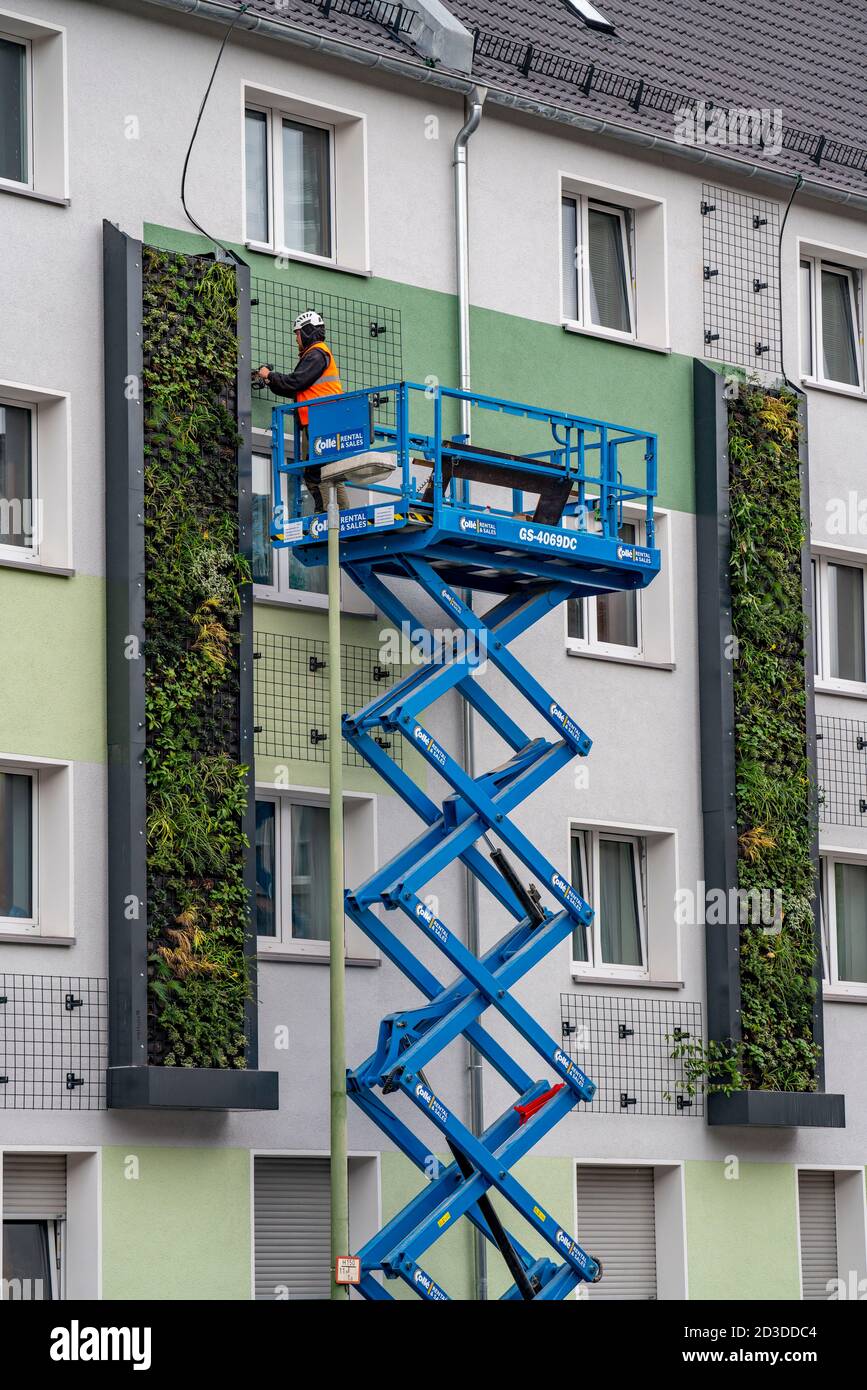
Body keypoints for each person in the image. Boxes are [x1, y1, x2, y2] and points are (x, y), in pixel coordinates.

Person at [257, 311, 348, 510]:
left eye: (297, 333)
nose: (296, 338)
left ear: (307, 331)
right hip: (320, 420)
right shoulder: (316, 354)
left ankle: (334, 515)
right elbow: (295, 387)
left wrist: (269, 374)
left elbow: (295, 381)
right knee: (320, 471)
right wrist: (270, 380)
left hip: (322, 420)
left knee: (320, 471)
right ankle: (329, 512)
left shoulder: (317, 353)